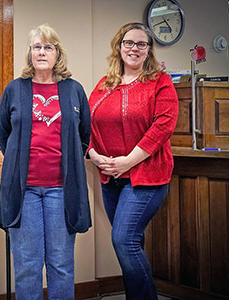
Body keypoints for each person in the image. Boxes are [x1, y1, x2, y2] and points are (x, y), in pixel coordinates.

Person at [0, 24, 91, 300]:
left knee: (61, 265)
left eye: (48, 47)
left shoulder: (74, 90)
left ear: (57, 53)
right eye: (36, 46)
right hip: (24, 192)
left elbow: (84, 135)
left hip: (61, 191)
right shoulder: (15, 89)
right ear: (29, 53)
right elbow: (4, 135)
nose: (41, 52)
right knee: (27, 265)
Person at [88, 22, 178, 299]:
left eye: (141, 44)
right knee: (131, 242)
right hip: (111, 178)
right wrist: (94, 156)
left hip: (147, 177)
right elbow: (86, 126)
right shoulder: (105, 84)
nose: (134, 48)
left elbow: (163, 125)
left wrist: (129, 160)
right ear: (119, 46)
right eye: (129, 42)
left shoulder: (160, 82)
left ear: (149, 50)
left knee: (124, 241)